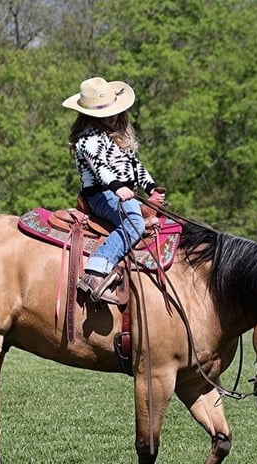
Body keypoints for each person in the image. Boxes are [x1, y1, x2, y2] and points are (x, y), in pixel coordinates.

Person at [62, 76, 165, 304]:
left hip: (122, 192)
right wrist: (117, 187)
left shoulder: (118, 136)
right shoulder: (87, 139)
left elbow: (135, 166)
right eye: (106, 113)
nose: (113, 116)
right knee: (134, 223)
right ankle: (96, 270)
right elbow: (100, 167)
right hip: (100, 194)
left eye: (114, 111)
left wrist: (151, 187)